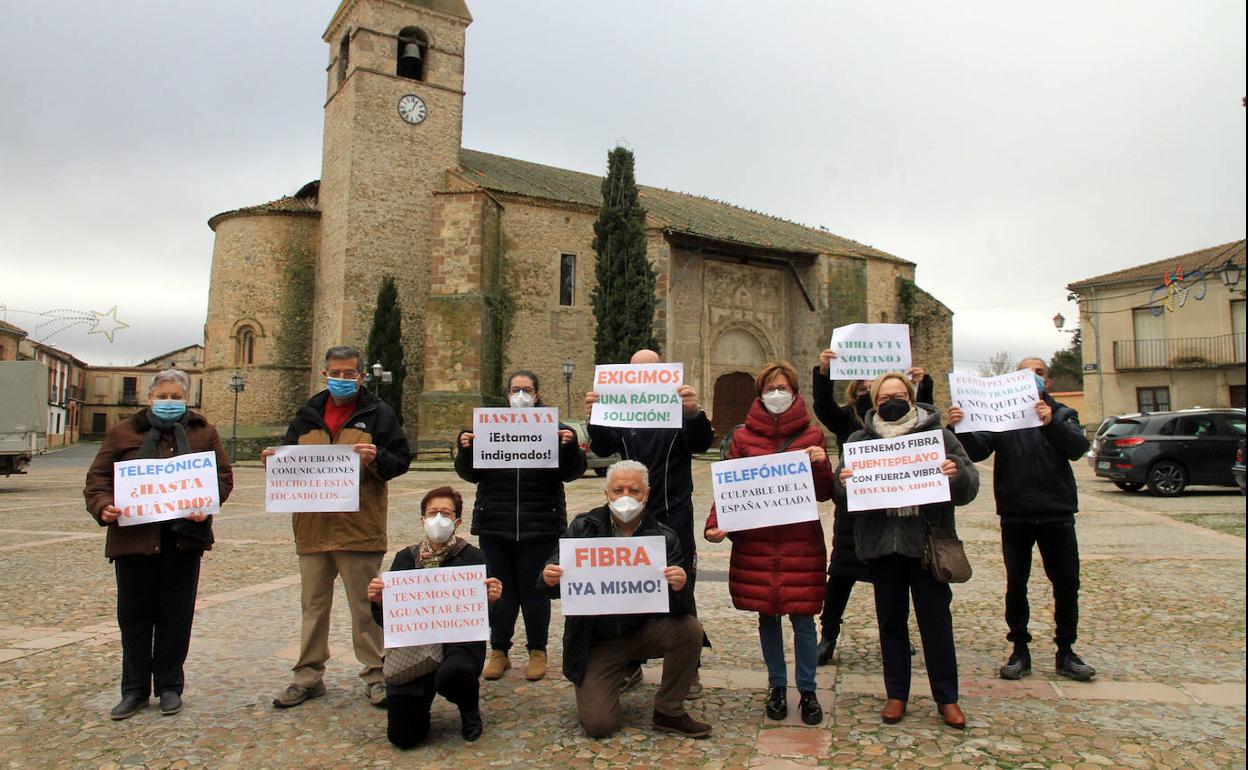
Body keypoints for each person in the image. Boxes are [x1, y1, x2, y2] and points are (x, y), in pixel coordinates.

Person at [266, 345, 413, 709]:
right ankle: (308, 676)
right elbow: (290, 458)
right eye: (336, 373)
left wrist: (378, 457)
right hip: (313, 529)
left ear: (361, 376)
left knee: (365, 607)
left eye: (350, 374)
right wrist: (275, 461)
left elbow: (401, 460)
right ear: (324, 374)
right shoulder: (307, 415)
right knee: (313, 607)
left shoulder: (378, 414)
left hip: (358, 527)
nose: (343, 379)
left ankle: (377, 674)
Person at [83, 369, 234, 720]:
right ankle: (134, 690)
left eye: (175, 396)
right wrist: (103, 505)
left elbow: (222, 477)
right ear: (150, 399)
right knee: (134, 618)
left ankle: (169, 686)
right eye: (163, 396)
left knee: (175, 616)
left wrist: (207, 503)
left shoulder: (203, 432)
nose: (169, 402)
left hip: (184, 540)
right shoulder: (123, 432)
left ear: (186, 397)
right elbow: (98, 477)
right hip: (134, 539)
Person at [834, 371, 978, 729]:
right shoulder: (859, 439)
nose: (891, 402)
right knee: (891, 624)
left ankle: (947, 698)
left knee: (936, 624)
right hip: (884, 547)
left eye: (898, 395)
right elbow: (842, 496)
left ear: (912, 398)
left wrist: (955, 472)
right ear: (874, 402)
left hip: (926, 545)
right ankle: (896, 694)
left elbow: (970, 485)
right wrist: (843, 482)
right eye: (883, 398)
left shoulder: (938, 437)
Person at [946, 357, 1095, 682]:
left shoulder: (1062, 413)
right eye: (1026, 373)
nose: (1033, 378)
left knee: (1067, 583)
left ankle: (1066, 650)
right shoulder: (1004, 417)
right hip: (1015, 513)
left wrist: (1050, 422)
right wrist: (960, 427)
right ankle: (1019, 650)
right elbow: (978, 450)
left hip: (1058, 513)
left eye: (1039, 373)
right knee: (1017, 584)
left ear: (1048, 381)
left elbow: (1078, 447)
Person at [541, 460, 711, 739]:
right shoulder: (583, 528)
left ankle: (669, 710)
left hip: (644, 631)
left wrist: (680, 586)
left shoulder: (664, 537)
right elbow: (552, 585)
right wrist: (548, 578)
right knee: (599, 726)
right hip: (597, 641)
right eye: (618, 489)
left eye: (634, 490)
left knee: (690, 629)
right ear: (606, 493)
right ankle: (611, 678)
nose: (625, 497)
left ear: (647, 493)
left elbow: (680, 608)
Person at [704, 361, 834, 725]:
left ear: (794, 393)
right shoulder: (743, 438)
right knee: (768, 618)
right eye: (770, 388)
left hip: (799, 543)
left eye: (783, 388)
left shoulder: (812, 436)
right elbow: (729, 488)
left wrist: (822, 465)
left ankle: (807, 690)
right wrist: (717, 525)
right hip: (757, 543)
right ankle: (777, 686)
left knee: (805, 621)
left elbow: (824, 494)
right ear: (760, 393)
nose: (777, 394)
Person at [584, 348, 714, 693]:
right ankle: (629, 664)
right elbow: (604, 442)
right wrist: (596, 414)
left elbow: (701, 442)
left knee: (680, 586)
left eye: (651, 371)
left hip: (674, 513)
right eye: (636, 371)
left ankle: (690, 668)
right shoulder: (622, 412)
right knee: (628, 587)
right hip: (630, 514)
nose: (643, 377)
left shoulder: (677, 409)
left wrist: (694, 413)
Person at [455, 369, 586, 681]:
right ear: (507, 394)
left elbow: (572, 472)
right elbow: (469, 473)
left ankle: (537, 651)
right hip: (495, 523)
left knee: (535, 591)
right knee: (500, 591)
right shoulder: (486, 427)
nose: (521, 396)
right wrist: (465, 449)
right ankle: (499, 651)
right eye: (516, 390)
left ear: (537, 394)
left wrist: (568, 447)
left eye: (527, 390)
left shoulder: (556, 428)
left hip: (539, 523)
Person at [811, 357, 933, 664]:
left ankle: (897, 636)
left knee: (894, 581)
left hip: (891, 510)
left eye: (875, 386)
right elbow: (823, 406)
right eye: (865, 387)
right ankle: (828, 636)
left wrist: (924, 384)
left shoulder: (906, 420)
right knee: (840, 576)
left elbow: (928, 433)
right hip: (855, 512)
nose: (870, 391)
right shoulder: (848, 419)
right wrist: (824, 373)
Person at [367, 487, 503, 748]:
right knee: (403, 736)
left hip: (458, 646)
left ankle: (469, 709)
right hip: (414, 650)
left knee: (453, 674)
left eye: (446, 513)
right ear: (422, 519)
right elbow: (391, 620)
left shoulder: (473, 557)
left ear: (457, 521)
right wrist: (379, 602)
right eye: (433, 513)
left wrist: (493, 600)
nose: (439, 518)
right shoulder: (405, 558)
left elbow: (485, 620)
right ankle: (419, 704)